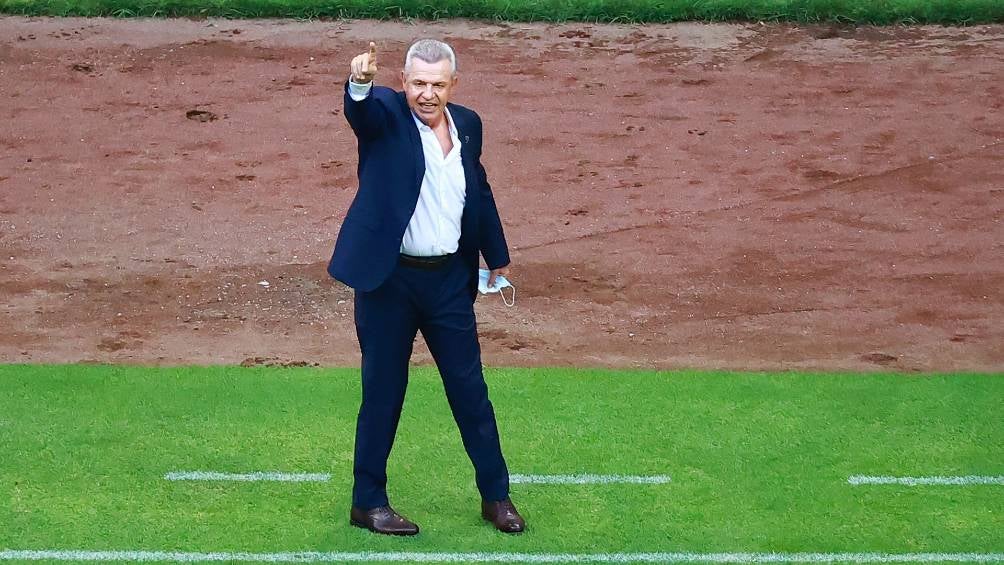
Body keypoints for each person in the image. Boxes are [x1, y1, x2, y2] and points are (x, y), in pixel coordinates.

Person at [326, 39, 526, 536]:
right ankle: (367, 502)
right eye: (418, 83)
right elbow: (361, 115)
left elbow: (477, 189)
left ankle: (496, 497)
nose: (427, 94)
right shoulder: (387, 116)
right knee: (383, 393)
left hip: (448, 284)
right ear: (404, 82)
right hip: (389, 282)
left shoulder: (470, 124)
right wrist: (359, 83)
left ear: (452, 85)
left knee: (470, 391)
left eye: (437, 84)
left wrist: (495, 256)